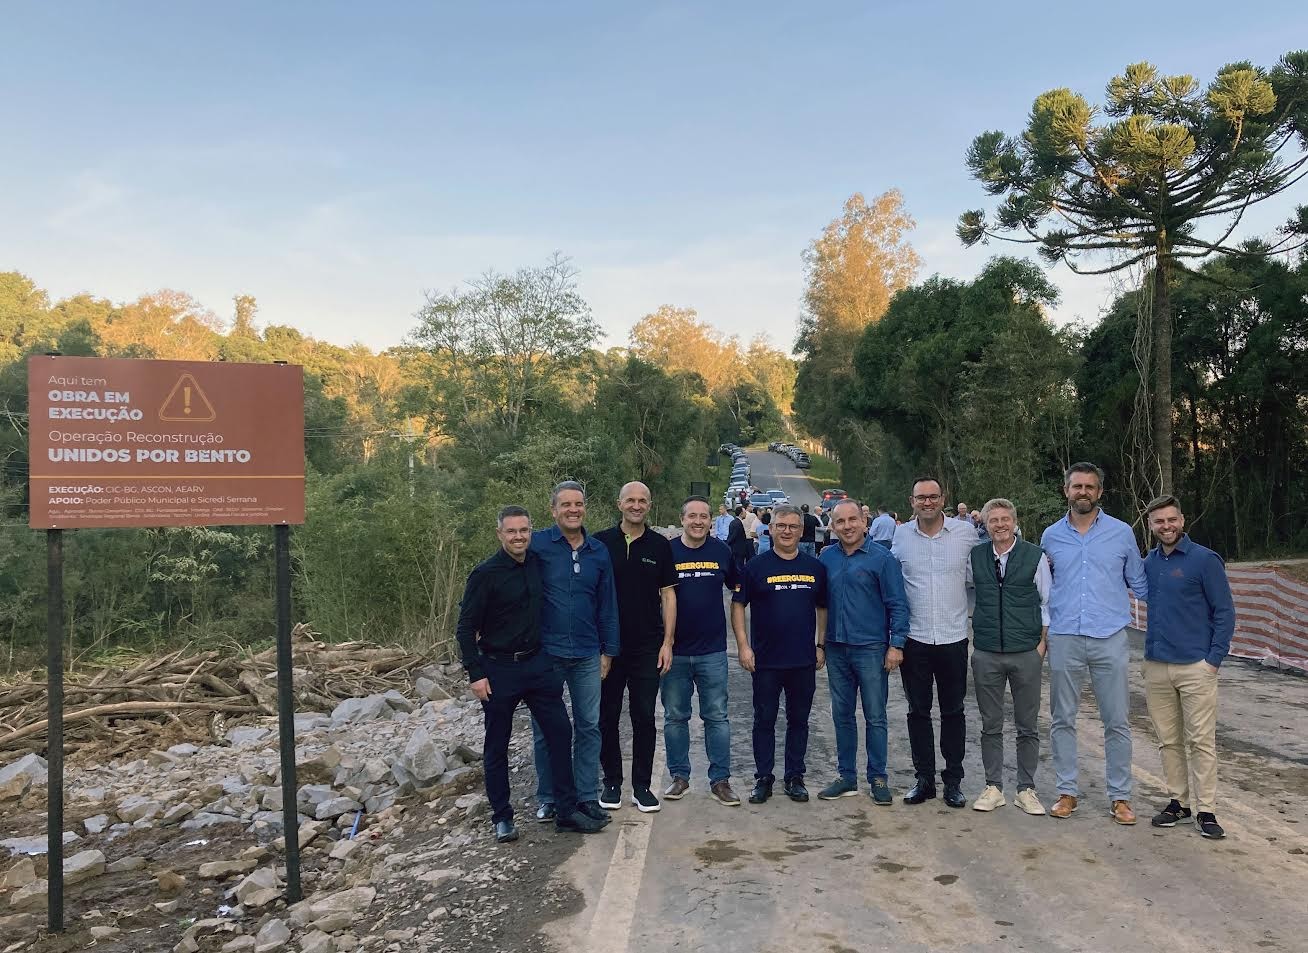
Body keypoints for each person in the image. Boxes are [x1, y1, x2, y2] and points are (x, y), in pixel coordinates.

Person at [456, 505, 607, 841]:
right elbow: (465, 628)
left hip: (537, 665)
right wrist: (475, 673)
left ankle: (566, 811)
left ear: (531, 532)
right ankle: (502, 817)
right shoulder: (485, 574)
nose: (518, 537)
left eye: (524, 530)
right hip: (498, 668)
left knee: (560, 732)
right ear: (499, 533)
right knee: (497, 744)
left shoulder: (539, 564)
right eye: (511, 531)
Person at [1041, 462, 1147, 825]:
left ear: (1100, 492)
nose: (1082, 492)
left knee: (1116, 720)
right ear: (1066, 491)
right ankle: (1066, 791)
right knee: (1062, 719)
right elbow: (1043, 588)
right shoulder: (1050, 536)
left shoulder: (1121, 533)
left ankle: (1120, 797)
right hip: (1065, 636)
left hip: (1110, 637)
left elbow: (1140, 583)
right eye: (1077, 486)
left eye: (1089, 486)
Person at [1142, 495, 1235, 839]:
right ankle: (1178, 803)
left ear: (1182, 520)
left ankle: (1206, 809)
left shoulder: (1204, 560)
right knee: (1168, 741)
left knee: (1201, 741)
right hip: (1157, 665)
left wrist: (1214, 660)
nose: (1166, 526)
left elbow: (1224, 612)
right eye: (1159, 521)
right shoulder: (1149, 563)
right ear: (1151, 526)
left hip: (1196, 665)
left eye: (1171, 519)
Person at [530, 481, 620, 825]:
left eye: (578, 504)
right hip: (546, 653)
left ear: (585, 508)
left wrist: (609, 650)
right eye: (565, 504)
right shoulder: (538, 544)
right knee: (546, 729)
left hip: (587, 652)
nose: (573, 510)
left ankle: (586, 796)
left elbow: (607, 604)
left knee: (589, 726)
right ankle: (549, 797)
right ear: (553, 510)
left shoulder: (598, 551)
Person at [731, 504, 828, 805]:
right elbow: (738, 605)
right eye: (781, 526)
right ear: (770, 529)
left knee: (799, 721)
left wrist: (820, 645)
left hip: (802, 660)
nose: (787, 531)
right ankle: (764, 778)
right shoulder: (755, 567)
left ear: (801, 530)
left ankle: (795, 777)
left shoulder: (815, 568)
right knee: (764, 720)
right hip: (766, 661)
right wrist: (743, 646)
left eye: (793, 526)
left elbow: (822, 607)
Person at [816, 499, 910, 805]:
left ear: (864, 521)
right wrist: (820, 644)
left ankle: (878, 777)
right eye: (840, 521)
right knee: (842, 715)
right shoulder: (826, 558)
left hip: (871, 649)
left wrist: (896, 644)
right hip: (836, 648)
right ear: (833, 526)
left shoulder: (882, 559)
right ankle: (846, 777)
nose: (847, 526)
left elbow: (898, 604)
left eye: (852, 520)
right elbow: (820, 604)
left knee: (875, 716)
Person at [892, 476, 978, 808]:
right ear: (911, 502)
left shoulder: (965, 534)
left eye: (933, 496)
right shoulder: (901, 536)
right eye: (921, 498)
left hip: (953, 637)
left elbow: (981, 574)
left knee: (954, 712)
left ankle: (953, 781)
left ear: (943, 499)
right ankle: (924, 779)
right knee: (918, 712)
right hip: (915, 639)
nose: (927, 502)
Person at [594, 482, 677, 814]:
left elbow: (668, 595)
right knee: (607, 715)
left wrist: (667, 642)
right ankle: (612, 782)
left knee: (644, 716)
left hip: (647, 646)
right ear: (619, 504)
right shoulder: (600, 543)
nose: (636, 505)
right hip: (608, 648)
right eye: (630, 500)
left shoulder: (660, 545)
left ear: (649, 505)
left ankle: (642, 786)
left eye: (643, 500)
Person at [966, 499, 1050, 816]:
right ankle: (993, 787)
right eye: (993, 520)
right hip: (987, 652)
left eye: (1005, 519)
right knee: (991, 724)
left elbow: (1047, 602)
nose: (1000, 525)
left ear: (1014, 522)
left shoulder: (1034, 556)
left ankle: (1026, 789)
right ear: (985, 525)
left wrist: (1041, 646)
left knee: (1027, 725)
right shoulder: (976, 556)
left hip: (1026, 651)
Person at [662, 496, 743, 806]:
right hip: (675, 651)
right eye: (692, 516)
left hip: (712, 651)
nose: (698, 521)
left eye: (704, 516)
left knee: (717, 717)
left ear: (712, 521)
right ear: (682, 519)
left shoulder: (722, 551)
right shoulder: (668, 551)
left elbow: (738, 590)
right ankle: (679, 777)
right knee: (675, 717)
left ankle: (720, 781)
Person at [726, 505, 754, 570]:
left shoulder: (737, 522)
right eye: (745, 513)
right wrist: (727, 544)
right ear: (741, 513)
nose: (746, 514)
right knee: (738, 568)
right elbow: (732, 536)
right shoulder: (736, 523)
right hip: (737, 551)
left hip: (739, 550)